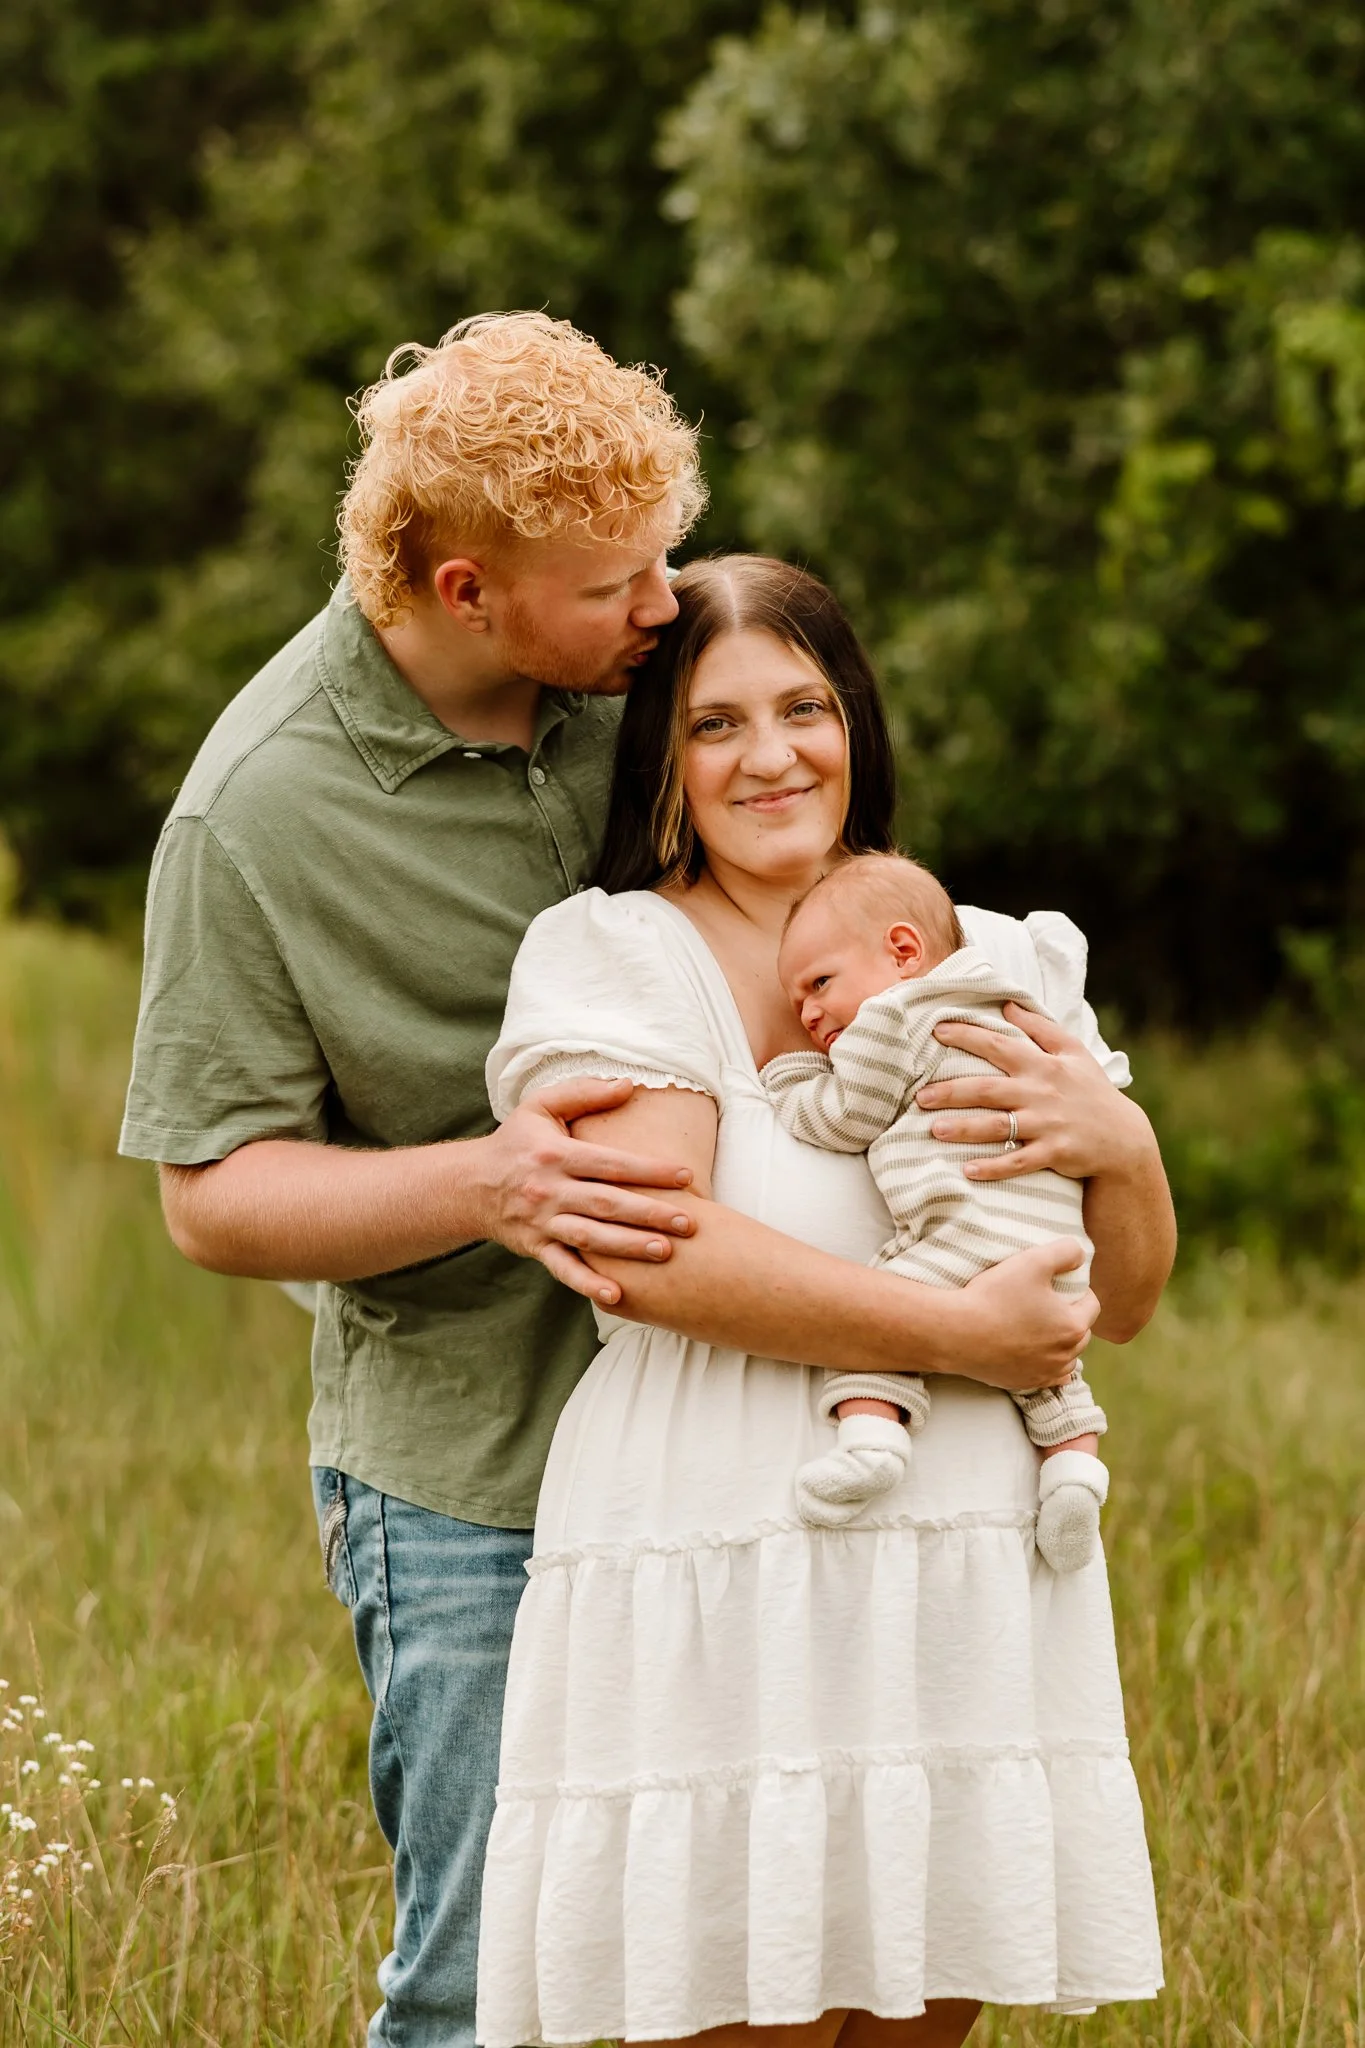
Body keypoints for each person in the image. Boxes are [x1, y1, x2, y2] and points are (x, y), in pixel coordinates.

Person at [118, 315, 1119, 2048]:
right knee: (489, 1984)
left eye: (666, 558)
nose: (661, 607)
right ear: (465, 589)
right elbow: (211, 1196)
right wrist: (490, 1182)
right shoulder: (261, 814)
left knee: (793, 1929)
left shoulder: (632, 693)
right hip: (475, 1465)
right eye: (616, 584)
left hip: (761, 1438)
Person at [476, 554, 1174, 2048]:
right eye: (716, 723)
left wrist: (1125, 1148)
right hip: (731, 1550)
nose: (771, 755)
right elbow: (655, 1250)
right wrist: (954, 1335)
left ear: (853, 719)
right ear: (664, 758)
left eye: (803, 707)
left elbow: (1118, 1301)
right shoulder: (619, 954)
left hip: (961, 1572)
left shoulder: (983, 955)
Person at [763, 851, 1110, 1567]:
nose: (808, 1013)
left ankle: (873, 1443)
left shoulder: (894, 1015)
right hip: (1054, 1246)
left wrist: (790, 1077)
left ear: (902, 952)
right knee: (1054, 1373)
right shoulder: (1011, 1005)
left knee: (879, 1321)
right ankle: (1075, 1473)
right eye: (797, 1005)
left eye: (819, 983)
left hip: (960, 1232)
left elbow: (845, 1117)